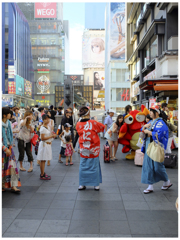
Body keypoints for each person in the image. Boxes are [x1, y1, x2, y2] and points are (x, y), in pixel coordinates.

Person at [141, 105, 172, 194]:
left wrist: (148, 131)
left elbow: (159, 134)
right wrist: (144, 127)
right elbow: (143, 130)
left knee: (158, 166)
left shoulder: (161, 122)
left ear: (157, 113)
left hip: (156, 146)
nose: (150, 113)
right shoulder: (151, 121)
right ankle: (150, 185)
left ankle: (166, 181)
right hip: (149, 145)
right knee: (148, 165)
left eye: (151, 111)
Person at [75, 106, 105, 191]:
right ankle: (96, 185)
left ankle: (82, 184)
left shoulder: (78, 124)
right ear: (88, 113)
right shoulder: (93, 122)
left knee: (83, 166)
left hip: (83, 148)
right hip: (93, 148)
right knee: (94, 166)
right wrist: (96, 121)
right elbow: (102, 128)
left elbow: (77, 134)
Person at [2, 107, 21, 193]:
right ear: (4, 115)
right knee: (3, 168)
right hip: (3, 149)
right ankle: (2, 185)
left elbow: (9, 133)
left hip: (9, 148)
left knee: (12, 166)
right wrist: (5, 148)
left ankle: (14, 185)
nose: (11, 114)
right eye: (9, 113)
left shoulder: (9, 123)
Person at [37, 114, 56, 180]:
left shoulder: (47, 126)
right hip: (44, 145)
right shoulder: (42, 128)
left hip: (47, 144)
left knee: (44, 160)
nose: (47, 120)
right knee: (42, 159)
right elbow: (42, 138)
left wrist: (52, 135)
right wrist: (51, 136)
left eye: (48, 119)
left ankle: (43, 173)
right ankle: (42, 174)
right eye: (46, 119)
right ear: (43, 120)